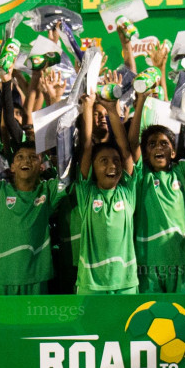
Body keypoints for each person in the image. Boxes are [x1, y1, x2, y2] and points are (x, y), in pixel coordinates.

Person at [130, 82, 185, 292]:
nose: (159, 147)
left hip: (183, 261)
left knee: (182, 316)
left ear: (174, 152)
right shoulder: (141, 177)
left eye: (164, 143)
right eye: (152, 144)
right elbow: (132, 143)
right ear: (146, 152)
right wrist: (140, 101)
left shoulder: (182, 173)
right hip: (148, 263)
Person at [0, 138, 63, 295]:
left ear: (42, 165)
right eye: (20, 157)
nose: (26, 161)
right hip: (2, 278)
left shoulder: (47, 191)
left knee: (35, 320)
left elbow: (68, 177)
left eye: (33, 157)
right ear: (12, 166)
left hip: (36, 277)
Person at [72, 91, 139, 295]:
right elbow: (86, 146)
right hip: (91, 285)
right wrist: (88, 108)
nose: (112, 165)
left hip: (126, 283)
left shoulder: (127, 191)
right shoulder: (87, 193)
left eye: (116, 161)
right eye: (104, 161)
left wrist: (112, 111)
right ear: (93, 167)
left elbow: (125, 149)